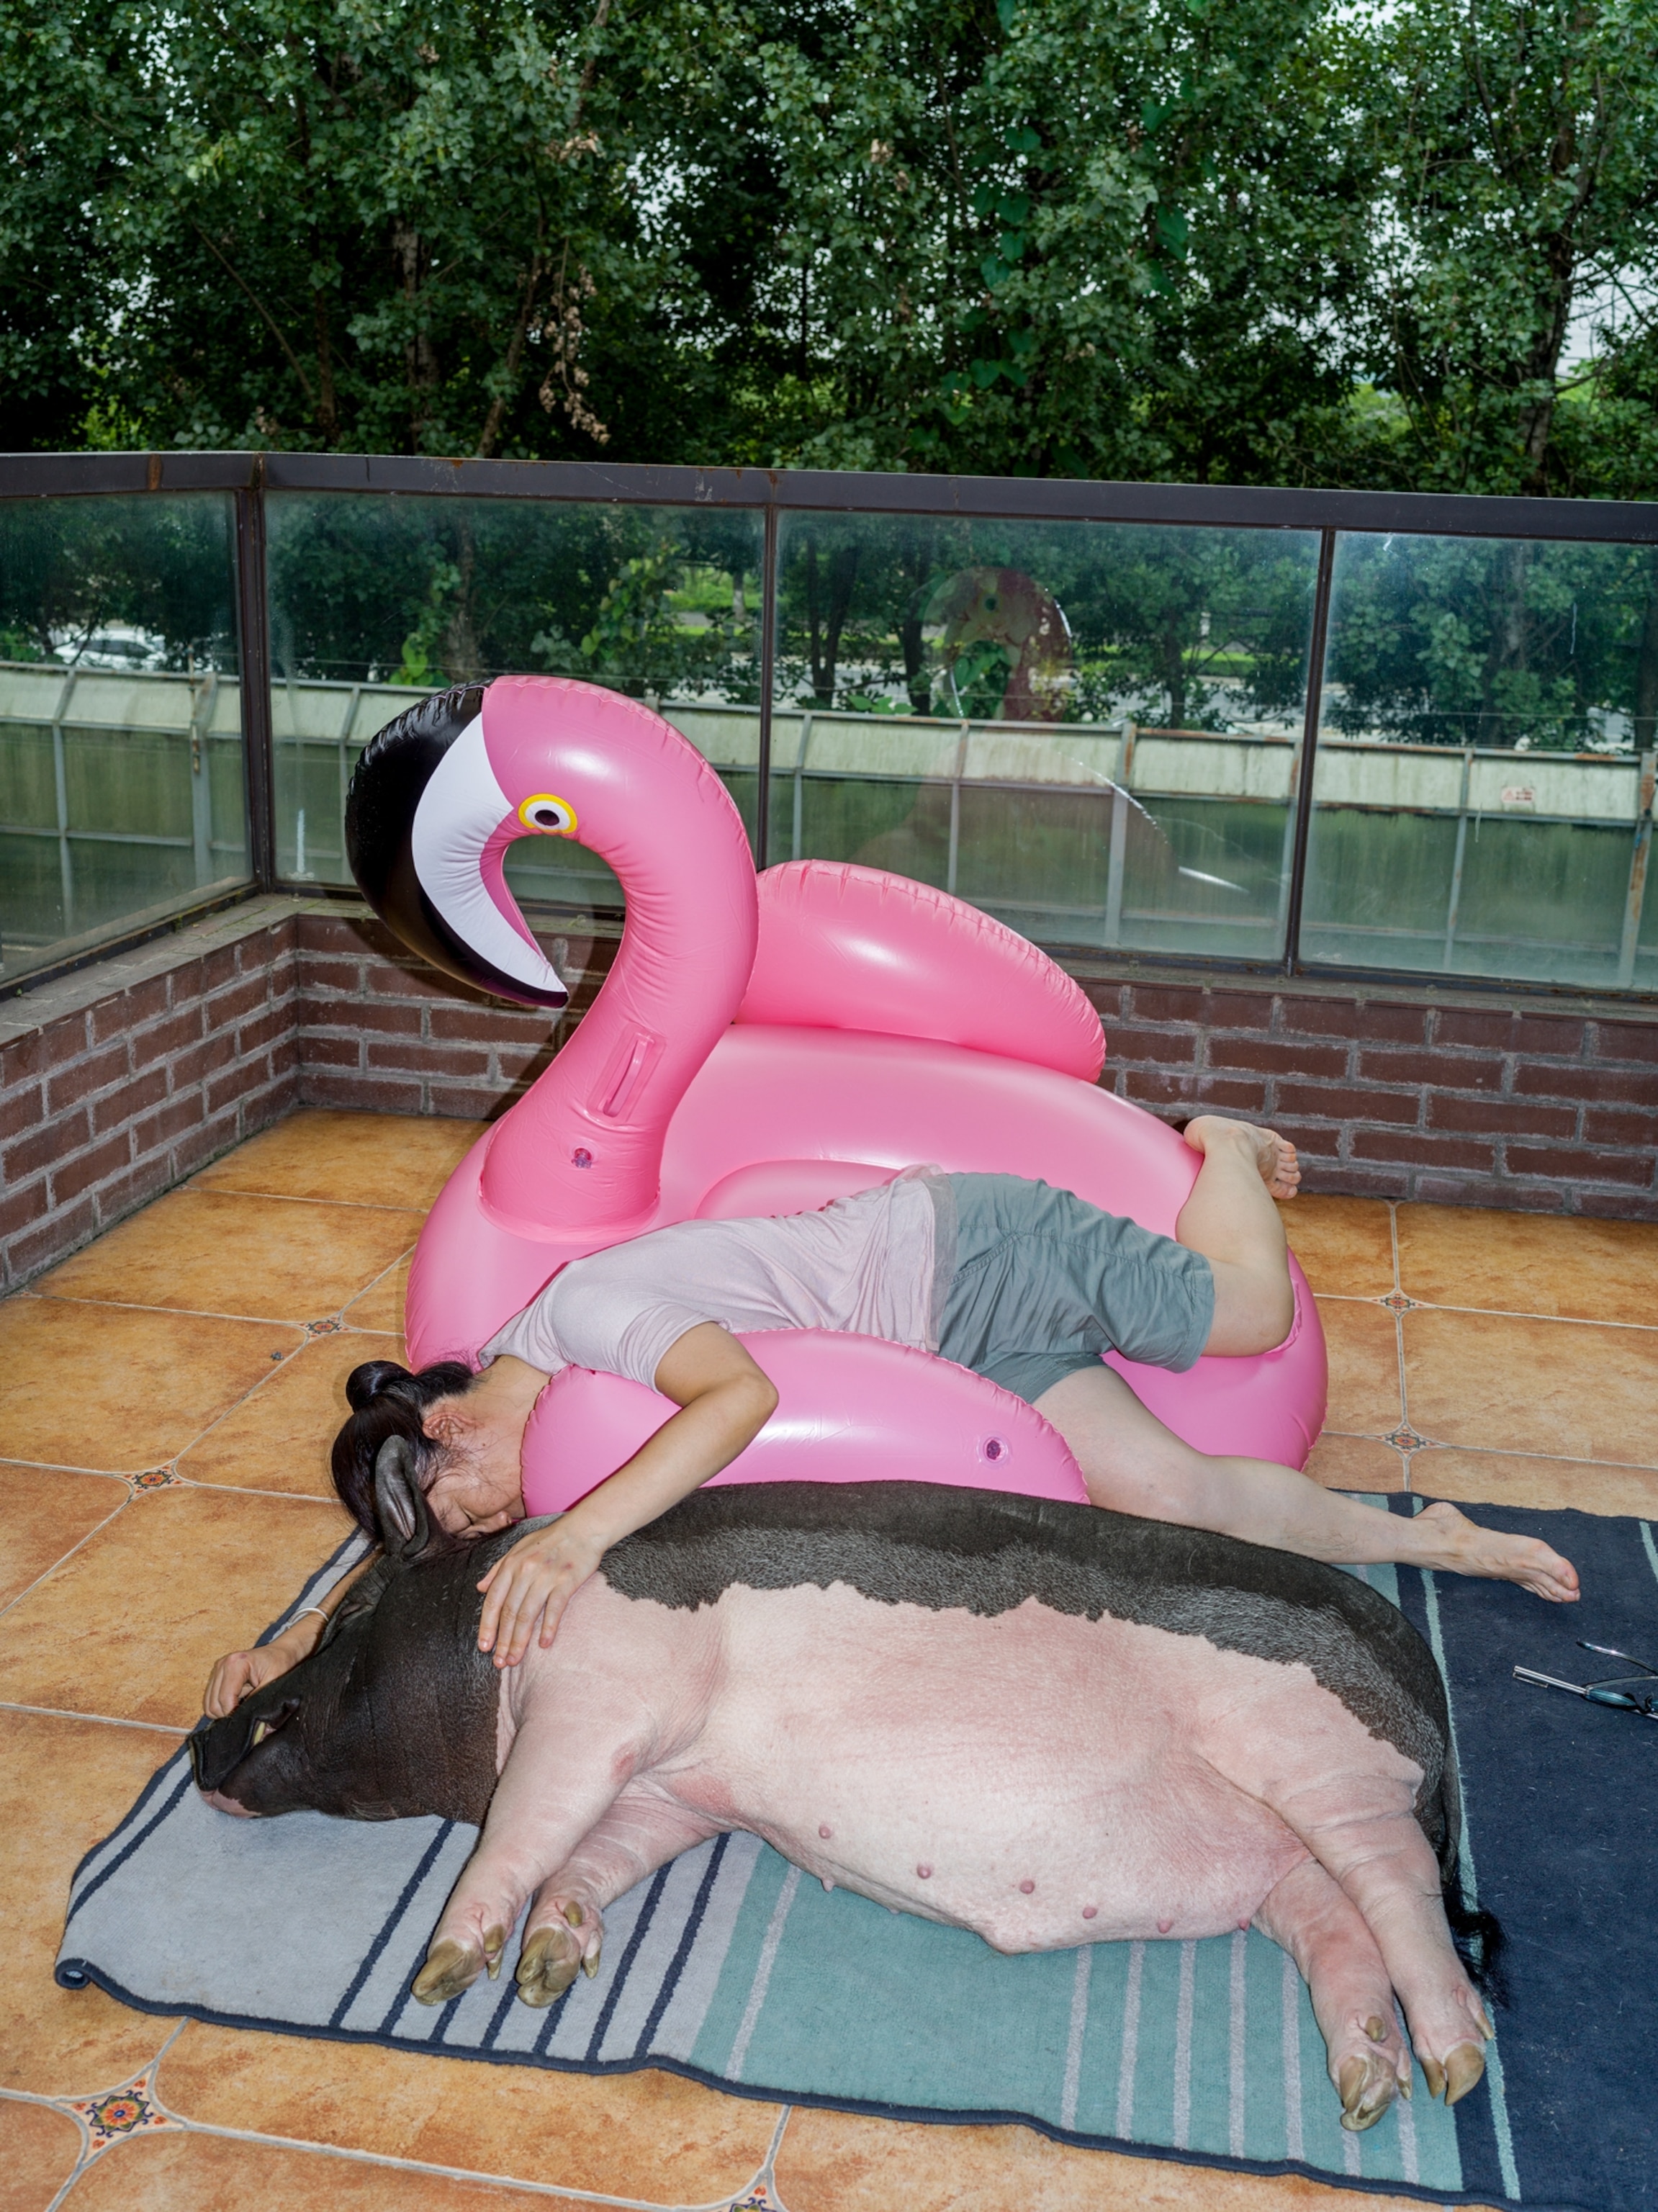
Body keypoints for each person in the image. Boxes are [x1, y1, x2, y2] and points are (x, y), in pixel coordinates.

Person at [204, 1117, 1578, 1717]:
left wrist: (573, 1544)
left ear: (447, 1428)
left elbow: (741, 1398)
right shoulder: (532, 1387)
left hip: (970, 1255)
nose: (506, 1518)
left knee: (1250, 1316)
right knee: (1175, 1496)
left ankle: (1217, 1143)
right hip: (955, 1353)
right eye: (490, 1528)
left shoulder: (587, 1320)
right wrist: (287, 1656)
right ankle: (1436, 1537)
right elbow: (422, 1566)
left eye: (480, 1499)